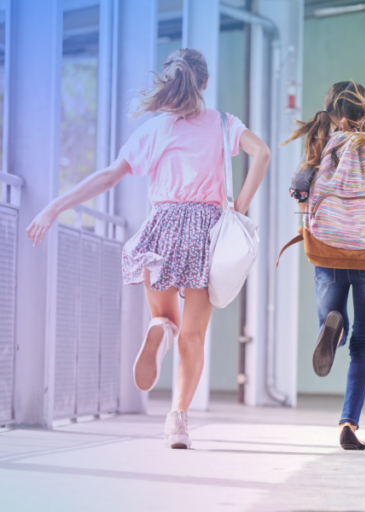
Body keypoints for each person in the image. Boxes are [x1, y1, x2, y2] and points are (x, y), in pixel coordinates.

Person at [25, 48, 270, 449]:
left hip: (160, 228)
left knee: (166, 319)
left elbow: (107, 177)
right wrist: (238, 207)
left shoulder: (155, 130)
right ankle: (178, 420)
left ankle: (158, 330)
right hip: (205, 232)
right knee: (193, 337)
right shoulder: (224, 124)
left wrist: (54, 206)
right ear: (205, 83)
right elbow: (262, 153)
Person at [282, 81, 365, 451]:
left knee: (332, 319)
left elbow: (300, 185)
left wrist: (309, 221)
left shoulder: (322, 143)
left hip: (329, 248)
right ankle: (349, 421)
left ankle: (332, 326)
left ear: (332, 112)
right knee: (364, 345)